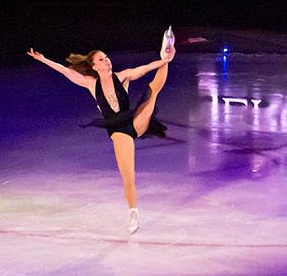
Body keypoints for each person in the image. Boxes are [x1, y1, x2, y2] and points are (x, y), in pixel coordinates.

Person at [27, 37, 176, 234]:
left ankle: (164, 53)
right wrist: (43, 59)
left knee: (153, 90)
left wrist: (164, 60)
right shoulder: (90, 83)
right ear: (94, 66)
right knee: (128, 175)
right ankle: (133, 213)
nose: (107, 61)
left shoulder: (122, 76)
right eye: (101, 59)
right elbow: (66, 71)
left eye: (106, 58)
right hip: (119, 131)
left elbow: (146, 68)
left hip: (134, 121)